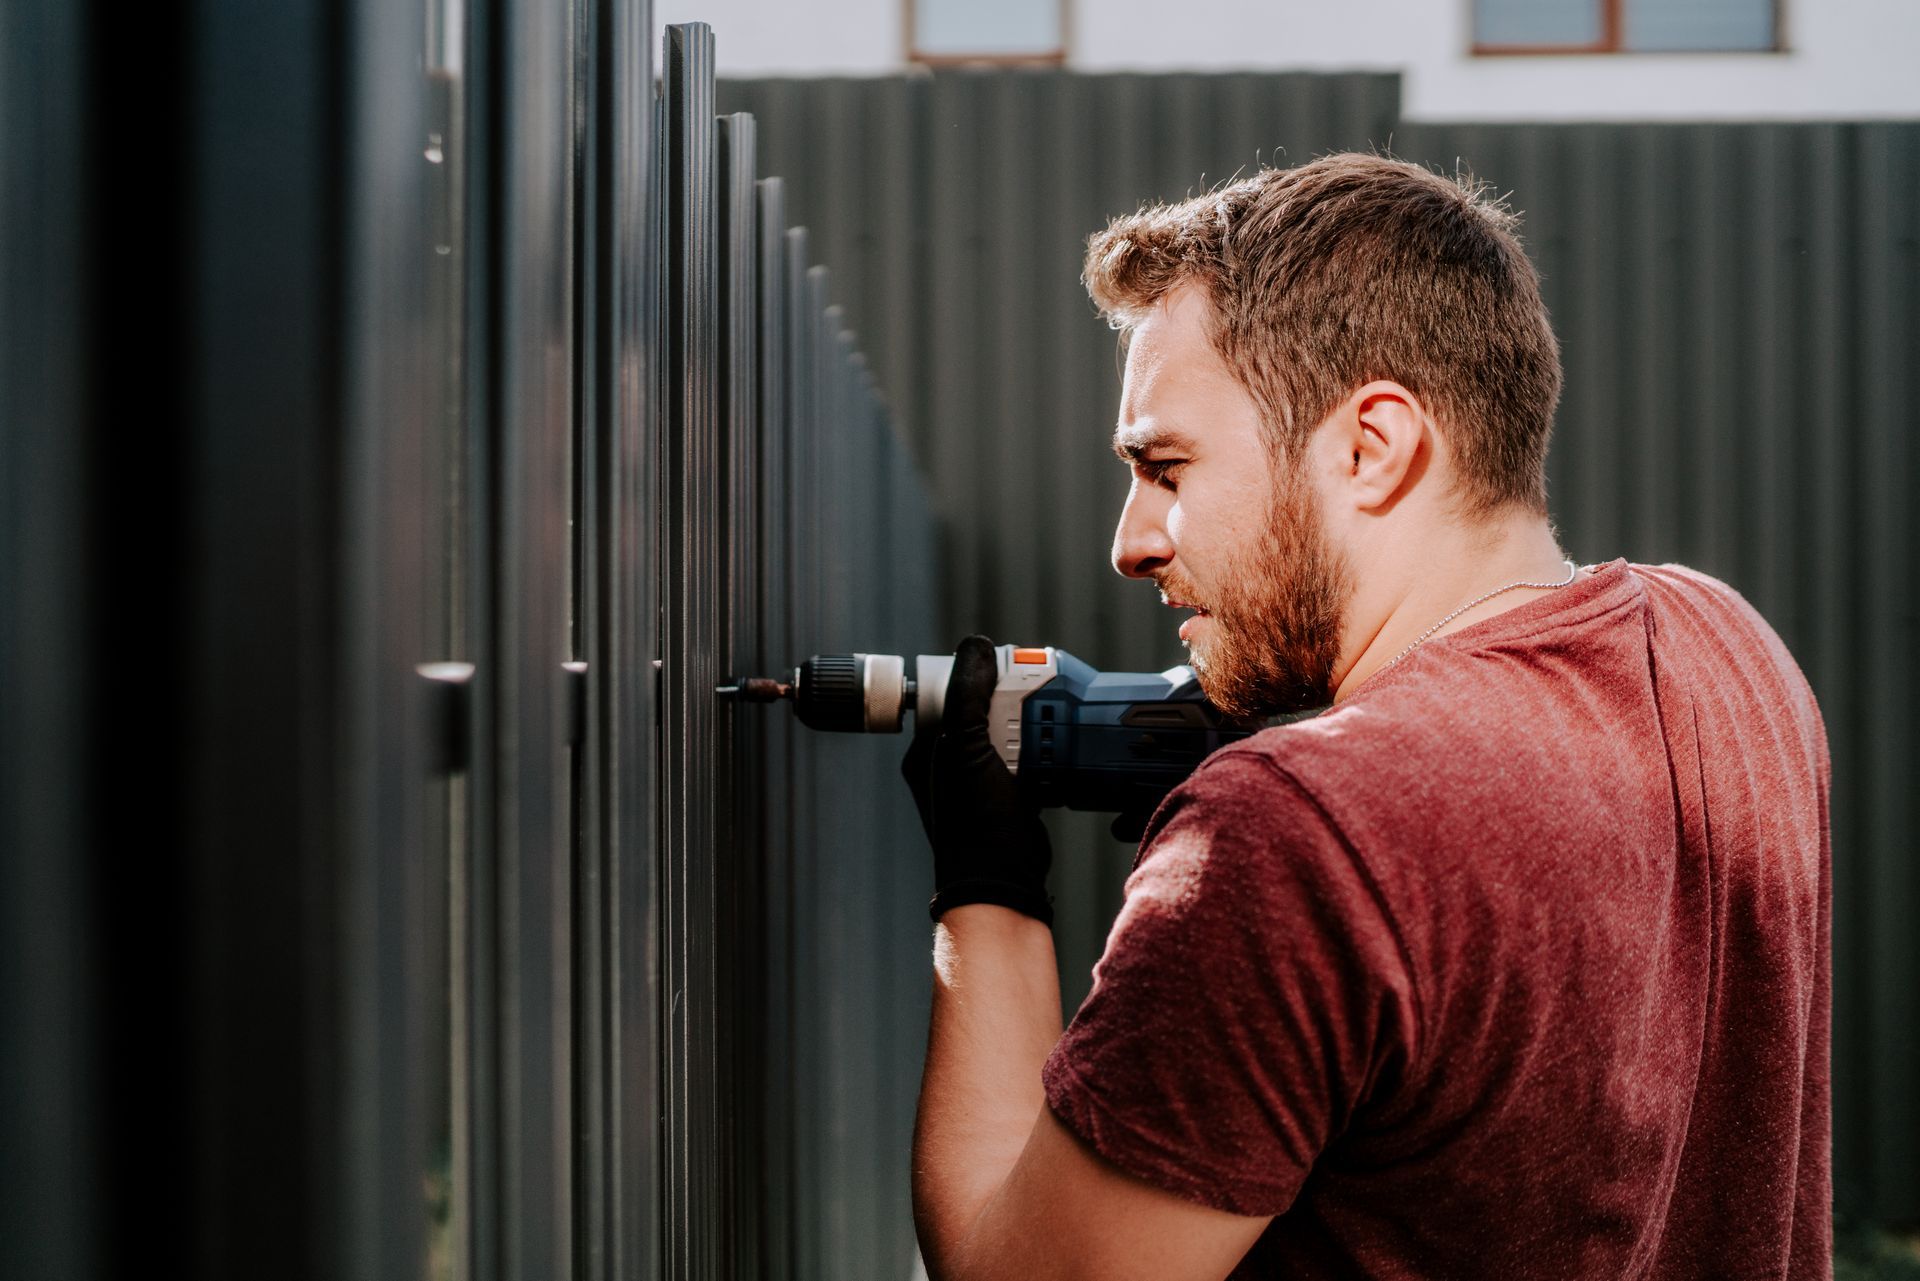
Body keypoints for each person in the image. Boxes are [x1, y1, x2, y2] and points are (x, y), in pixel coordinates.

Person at [900, 154, 1831, 1280]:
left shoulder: (1290, 834)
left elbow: (1013, 1273)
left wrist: (985, 882)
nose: (1132, 541)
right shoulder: (1728, 648)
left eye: (1168, 467)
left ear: (1370, 447)